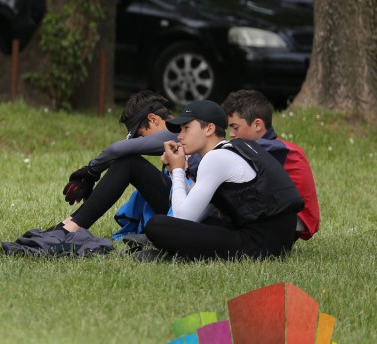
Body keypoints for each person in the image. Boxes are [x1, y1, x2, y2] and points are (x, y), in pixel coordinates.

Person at [143, 99, 304, 260]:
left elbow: (181, 217)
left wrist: (177, 169)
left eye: (186, 128)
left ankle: (176, 256)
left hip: (261, 243)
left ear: (209, 129)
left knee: (157, 225)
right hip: (272, 240)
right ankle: (175, 255)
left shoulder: (216, 158)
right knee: (198, 224)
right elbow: (193, 217)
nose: (180, 136)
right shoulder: (231, 150)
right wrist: (176, 171)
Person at [55, 91, 180, 235]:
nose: (140, 141)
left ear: (153, 119)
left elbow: (117, 149)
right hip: (181, 204)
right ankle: (67, 226)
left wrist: (91, 171)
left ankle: (69, 229)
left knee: (129, 162)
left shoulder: (179, 132)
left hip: (191, 217)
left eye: (140, 135)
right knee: (127, 161)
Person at [221, 89, 320, 240]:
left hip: (294, 219)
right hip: (282, 213)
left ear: (257, 125)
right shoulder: (272, 146)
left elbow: (225, 158)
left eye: (235, 127)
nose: (232, 134)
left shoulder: (276, 149)